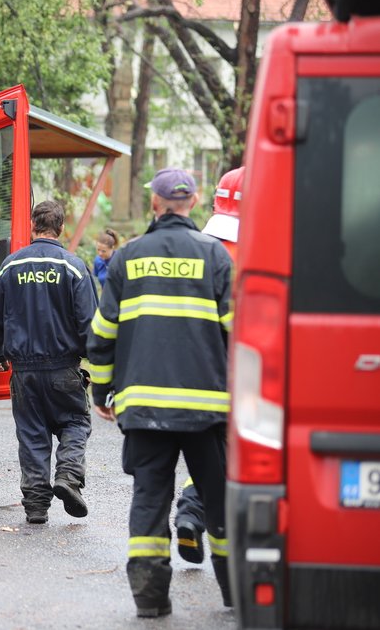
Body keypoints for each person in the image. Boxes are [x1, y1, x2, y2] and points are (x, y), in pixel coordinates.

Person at [87, 167, 234, 618]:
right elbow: (236, 335)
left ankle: (150, 598)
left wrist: (101, 391)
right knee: (219, 497)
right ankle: (235, 593)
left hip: (144, 406)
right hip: (207, 408)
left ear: (155, 203)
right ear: (194, 203)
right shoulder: (215, 257)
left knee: (150, 495)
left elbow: (103, 331)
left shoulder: (129, 258)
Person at [0, 200, 97, 524]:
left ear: (33, 226)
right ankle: (68, 476)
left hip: (24, 371)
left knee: (32, 434)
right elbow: (89, 321)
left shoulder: (12, 266)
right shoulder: (74, 267)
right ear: (61, 228)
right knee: (75, 423)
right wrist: (93, 352)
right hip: (64, 368)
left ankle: (35, 505)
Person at [174, 165, 244, 565]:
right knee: (226, 454)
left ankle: (190, 509)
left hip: (187, 371)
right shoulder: (256, 250)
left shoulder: (197, 245)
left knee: (207, 451)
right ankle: (196, 512)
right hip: (235, 375)